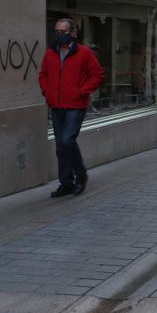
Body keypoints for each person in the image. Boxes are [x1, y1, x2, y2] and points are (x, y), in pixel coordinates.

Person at [38, 18, 104, 198]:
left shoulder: (84, 53)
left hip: (75, 105)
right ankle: (66, 183)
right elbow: (43, 74)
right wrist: (47, 92)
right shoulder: (50, 53)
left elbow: (97, 75)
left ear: (72, 33)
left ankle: (81, 175)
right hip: (56, 105)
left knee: (68, 140)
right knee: (60, 146)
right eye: (57, 31)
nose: (59, 35)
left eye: (63, 32)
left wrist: (82, 91)